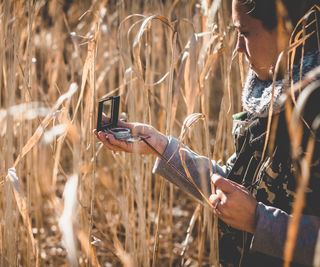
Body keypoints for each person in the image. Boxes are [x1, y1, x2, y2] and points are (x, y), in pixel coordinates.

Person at [94, 0, 320, 266]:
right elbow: (233, 184)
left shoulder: (312, 117)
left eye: (244, 33)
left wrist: (258, 220)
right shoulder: (265, 98)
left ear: (288, 32)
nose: (237, 47)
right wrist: (160, 147)